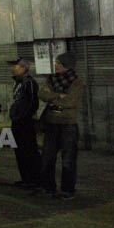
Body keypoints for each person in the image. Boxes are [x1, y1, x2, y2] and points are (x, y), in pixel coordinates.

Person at [37, 53, 84, 199]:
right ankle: (48, 187)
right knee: (47, 157)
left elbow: (70, 102)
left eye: (58, 63)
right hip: (51, 123)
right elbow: (42, 94)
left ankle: (67, 190)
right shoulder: (51, 79)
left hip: (67, 125)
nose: (55, 65)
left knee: (68, 160)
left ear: (66, 65)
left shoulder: (76, 82)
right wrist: (58, 96)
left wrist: (52, 97)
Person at [6, 57, 41, 188]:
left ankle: (35, 179)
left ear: (25, 69)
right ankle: (26, 178)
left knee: (29, 150)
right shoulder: (18, 83)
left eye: (17, 67)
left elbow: (33, 103)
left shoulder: (29, 83)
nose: (14, 69)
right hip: (17, 121)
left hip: (26, 122)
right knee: (20, 151)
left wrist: (23, 117)